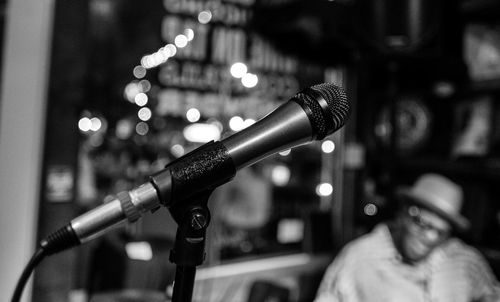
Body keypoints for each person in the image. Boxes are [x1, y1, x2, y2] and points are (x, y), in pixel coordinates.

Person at [314, 173, 500, 302]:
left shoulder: (465, 261)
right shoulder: (358, 257)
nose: (430, 236)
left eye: (441, 232)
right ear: (403, 213)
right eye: (423, 224)